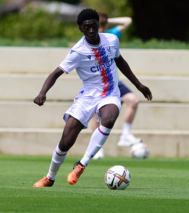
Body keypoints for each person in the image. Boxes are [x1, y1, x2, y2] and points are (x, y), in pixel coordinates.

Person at [33, 8, 152, 187]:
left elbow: (120, 61)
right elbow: (55, 73)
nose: (91, 30)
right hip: (87, 97)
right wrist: (42, 93)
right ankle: (50, 177)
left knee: (110, 118)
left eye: (94, 26)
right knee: (66, 140)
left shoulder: (112, 40)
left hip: (111, 93)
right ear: (80, 28)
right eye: (86, 27)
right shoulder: (77, 51)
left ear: (99, 25)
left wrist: (139, 85)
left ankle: (82, 164)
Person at [91, 13, 141, 159]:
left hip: (114, 82)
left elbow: (128, 21)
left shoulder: (111, 35)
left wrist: (108, 21)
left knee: (133, 100)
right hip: (97, 84)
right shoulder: (88, 39)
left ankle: (126, 134)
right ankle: (97, 148)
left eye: (101, 26)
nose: (99, 29)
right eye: (96, 25)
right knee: (97, 116)